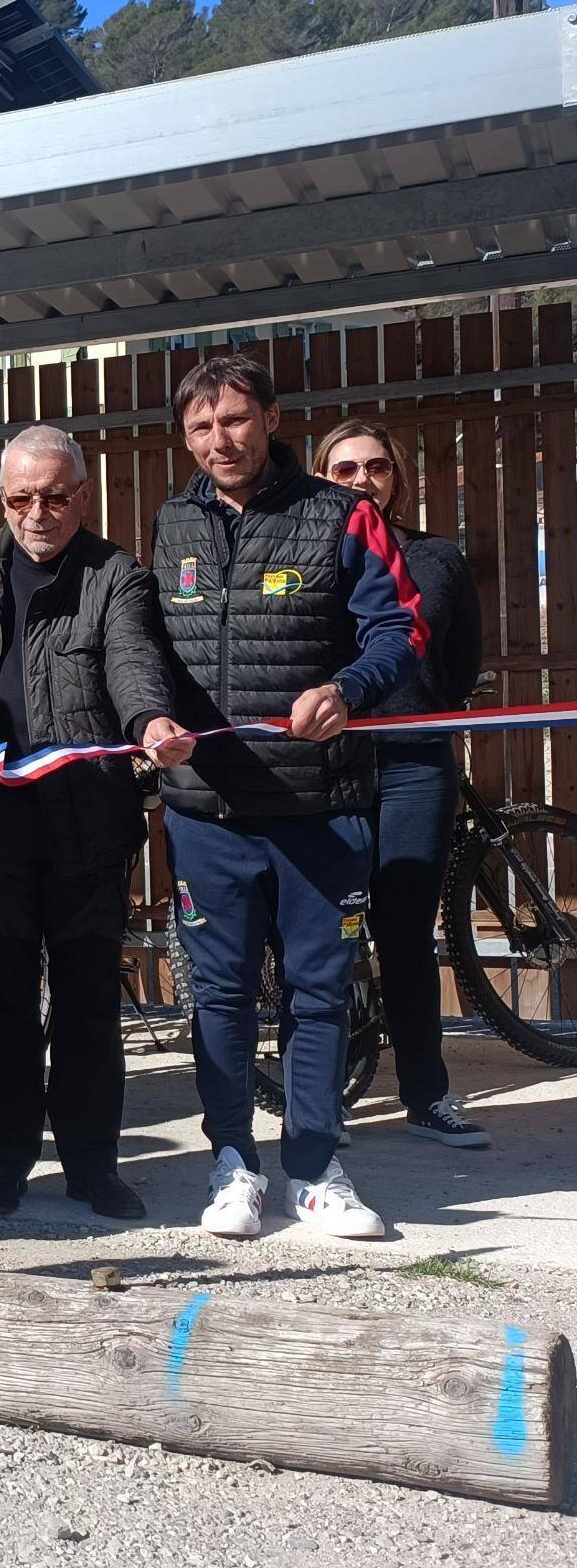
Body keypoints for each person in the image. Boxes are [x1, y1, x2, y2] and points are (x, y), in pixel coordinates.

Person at [152, 353, 425, 1241]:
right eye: (201, 426)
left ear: (269, 418)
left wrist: (349, 689)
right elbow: (147, 647)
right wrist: (153, 719)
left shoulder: (340, 514)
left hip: (321, 808)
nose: (219, 440)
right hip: (207, 812)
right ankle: (231, 1162)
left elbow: (399, 630)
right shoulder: (171, 525)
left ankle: (314, 1168)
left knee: (319, 996)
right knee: (221, 997)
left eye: (234, 420)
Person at [0, 427, 188, 1220]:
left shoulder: (115, 576)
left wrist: (152, 721)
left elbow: (133, 662)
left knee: (88, 999)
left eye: (55, 495)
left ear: (83, 495)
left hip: (87, 821)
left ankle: (92, 1162)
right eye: (20, 497)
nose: (37, 512)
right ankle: (5, 1157)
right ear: (1, 499)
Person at [313, 422, 488, 1147]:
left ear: (399, 478)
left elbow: (460, 662)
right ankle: (321, 1099)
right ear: (322, 477)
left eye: (377, 467)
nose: (362, 480)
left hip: (415, 762)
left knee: (405, 933)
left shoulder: (437, 558)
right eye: (345, 467)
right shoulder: (302, 559)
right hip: (327, 767)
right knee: (321, 934)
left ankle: (426, 1094)